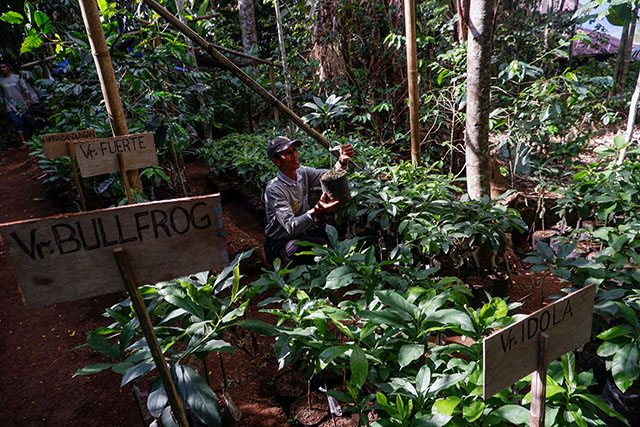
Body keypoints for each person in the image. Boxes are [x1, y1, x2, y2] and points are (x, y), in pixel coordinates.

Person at [264, 136, 354, 267]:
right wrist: (317, 210)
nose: (294, 155)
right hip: (280, 243)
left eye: (294, 150)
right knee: (296, 250)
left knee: (328, 241)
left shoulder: (303, 173)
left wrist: (342, 161)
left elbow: (330, 176)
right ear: (276, 161)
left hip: (301, 235)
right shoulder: (274, 190)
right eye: (287, 153)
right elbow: (290, 227)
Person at [0, 61, 37, 145]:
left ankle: (35, 138)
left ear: (8, 68)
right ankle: (23, 141)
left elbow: (25, 90)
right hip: (10, 106)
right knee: (17, 123)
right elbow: (1, 97)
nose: (2, 69)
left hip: (22, 104)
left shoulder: (17, 78)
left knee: (29, 120)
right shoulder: (0, 82)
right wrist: (4, 108)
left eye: (3, 67)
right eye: (0, 68)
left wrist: (28, 100)